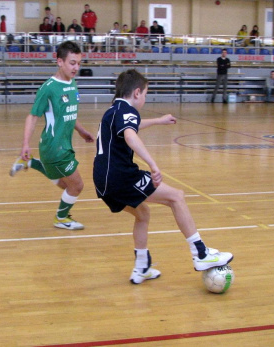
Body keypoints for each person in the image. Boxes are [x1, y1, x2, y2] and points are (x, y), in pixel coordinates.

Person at [93, 69, 233, 284]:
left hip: (103, 181)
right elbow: (130, 134)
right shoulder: (127, 110)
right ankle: (201, 254)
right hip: (121, 177)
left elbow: (131, 126)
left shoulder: (114, 110)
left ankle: (141, 267)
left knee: (143, 214)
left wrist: (158, 120)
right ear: (137, 92)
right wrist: (152, 163)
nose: (145, 99)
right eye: (146, 94)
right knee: (176, 196)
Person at [9, 41, 94, 230]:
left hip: (62, 145)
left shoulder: (72, 83)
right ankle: (61, 218)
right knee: (76, 186)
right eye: (72, 63)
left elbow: (69, 114)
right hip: (55, 147)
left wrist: (81, 130)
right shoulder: (48, 88)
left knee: (66, 186)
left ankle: (30, 162)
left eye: (79, 63)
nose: (76, 67)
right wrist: (25, 144)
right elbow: (32, 117)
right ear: (60, 62)